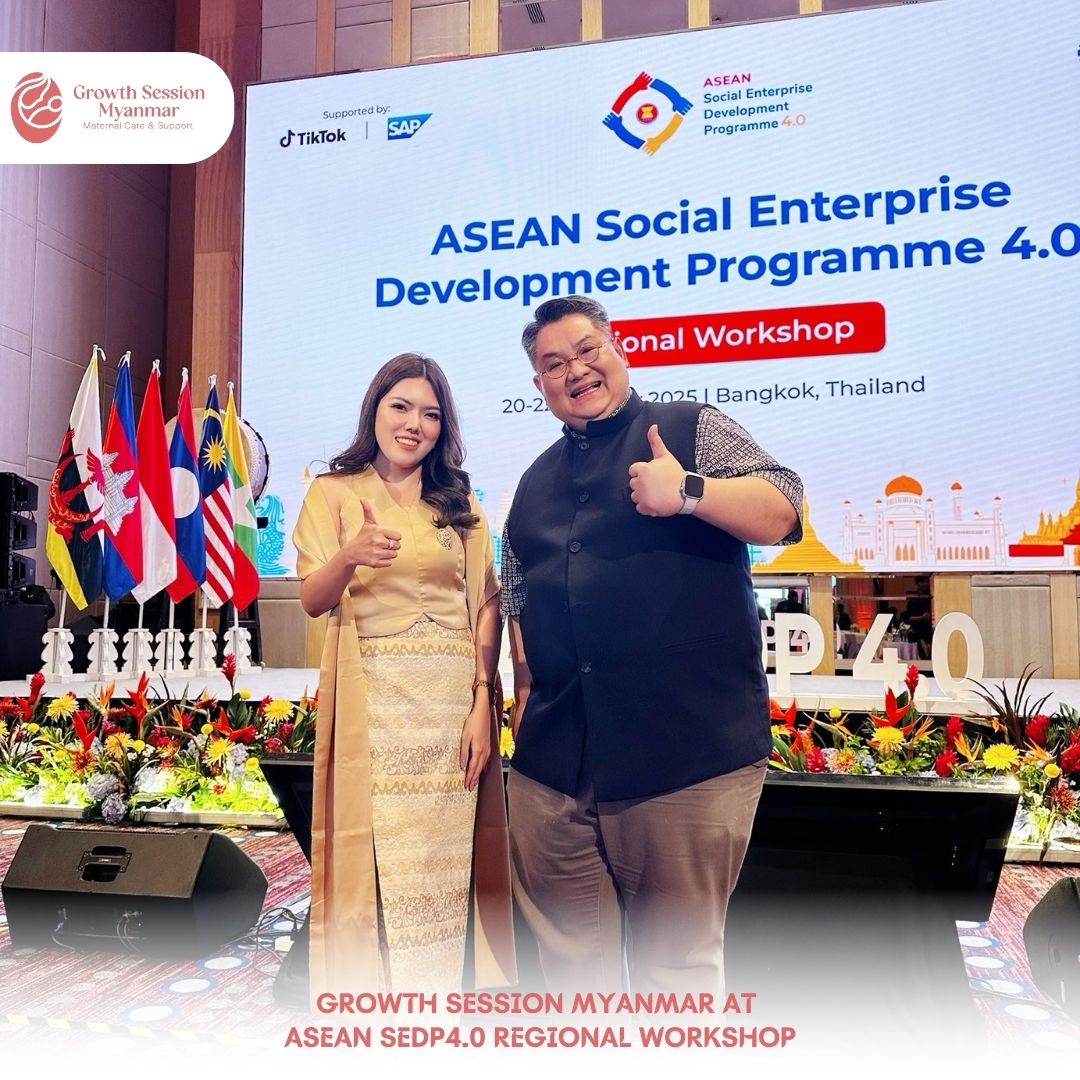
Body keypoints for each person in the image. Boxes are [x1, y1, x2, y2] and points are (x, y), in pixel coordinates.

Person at [501, 296, 802, 996]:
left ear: (618, 349)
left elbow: (785, 509)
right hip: (555, 773)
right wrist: (523, 688)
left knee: (678, 979)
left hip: (686, 759)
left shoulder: (691, 428)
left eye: (587, 350)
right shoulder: (534, 480)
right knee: (571, 981)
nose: (575, 370)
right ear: (539, 386)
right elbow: (517, 591)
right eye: (554, 364)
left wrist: (690, 491)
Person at [293, 353, 515, 995]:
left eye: (430, 414)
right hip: (375, 710)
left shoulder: (459, 501)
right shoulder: (333, 492)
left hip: (450, 715)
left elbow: (487, 603)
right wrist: (349, 556)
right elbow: (311, 597)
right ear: (375, 409)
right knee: (376, 867)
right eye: (401, 407)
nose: (414, 424)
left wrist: (482, 702)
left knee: (442, 874)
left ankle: (436, 1008)